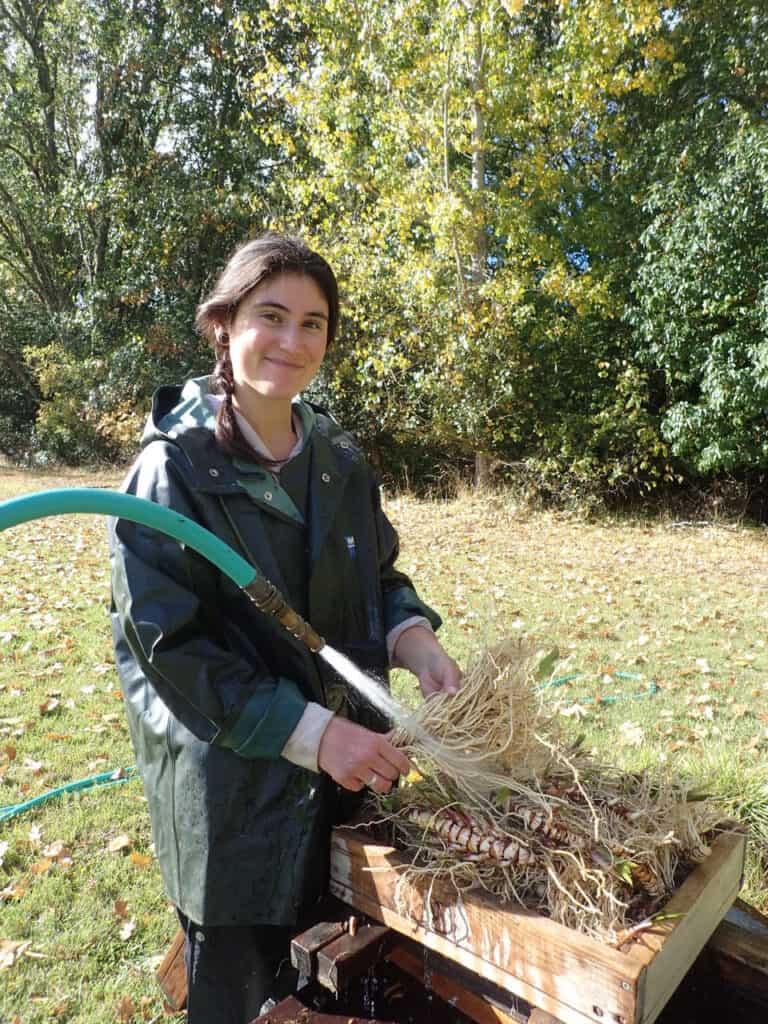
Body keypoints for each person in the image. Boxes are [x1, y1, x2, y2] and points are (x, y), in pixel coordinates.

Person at [108, 231, 461, 1024]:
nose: (292, 342)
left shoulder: (338, 459)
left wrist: (415, 641)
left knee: (332, 976)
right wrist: (312, 734)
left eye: (313, 324)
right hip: (235, 808)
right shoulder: (171, 472)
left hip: (346, 787)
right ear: (224, 324)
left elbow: (379, 577)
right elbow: (171, 650)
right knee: (237, 992)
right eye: (271, 316)